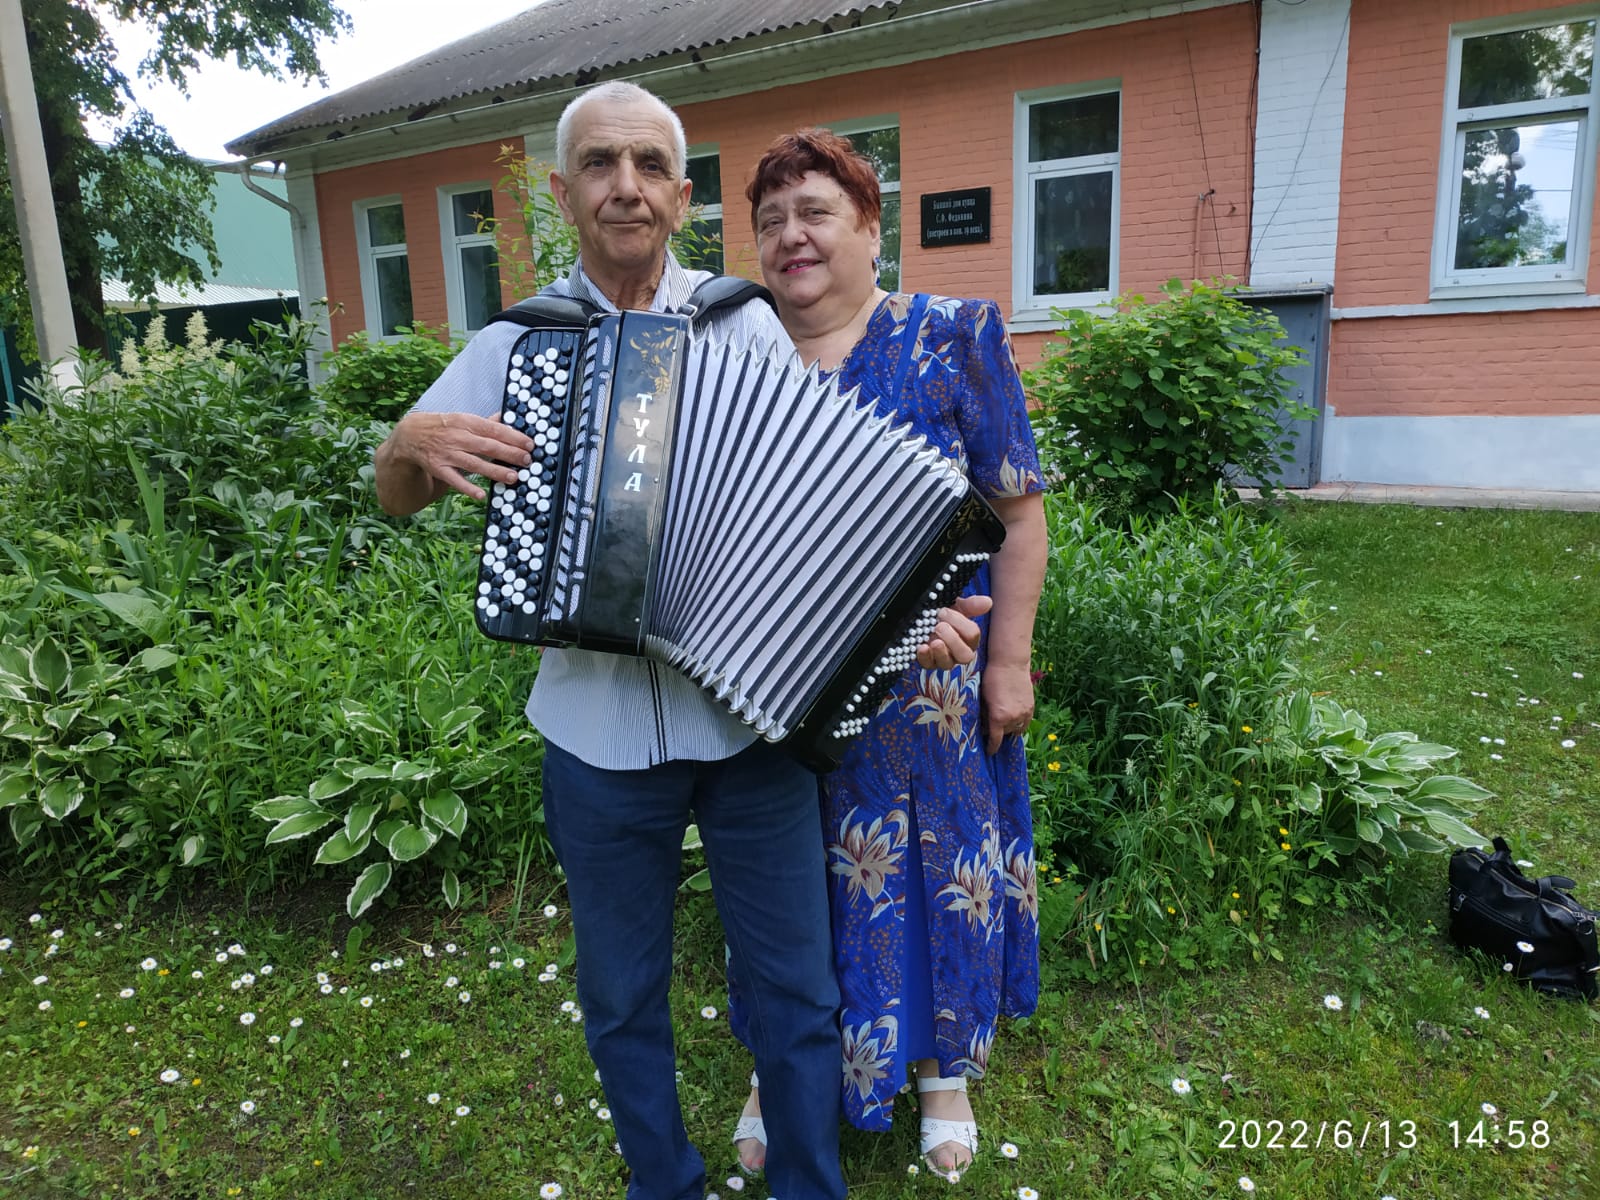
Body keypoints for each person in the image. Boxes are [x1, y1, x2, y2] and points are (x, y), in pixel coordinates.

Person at [373, 85, 981, 1200]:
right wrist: (404, 444)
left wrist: (902, 617)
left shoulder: (744, 320)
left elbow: (814, 502)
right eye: (600, 165)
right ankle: (664, 1184)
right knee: (620, 996)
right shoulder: (516, 342)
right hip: (594, 737)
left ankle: (809, 1186)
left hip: (744, 728)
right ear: (562, 193)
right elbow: (399, 495)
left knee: (797, 991)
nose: (626, 187)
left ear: (681, 193)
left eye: (650, 165)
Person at [729, 128, 1048, 1180]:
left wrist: (1009, 661)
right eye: (771, 220)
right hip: (781, 694)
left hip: (930, 699)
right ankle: (778, 1066)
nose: (791, 235)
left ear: (872, 228)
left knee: (928, 872)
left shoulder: (951, 336)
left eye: (815, 212)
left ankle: (941, 1073)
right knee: (787, 885)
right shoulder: (736, 356)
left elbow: (1018, 512)